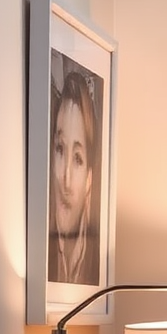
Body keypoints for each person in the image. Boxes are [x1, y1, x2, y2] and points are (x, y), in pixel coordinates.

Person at [47, 66, 100, 286]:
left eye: (77, 159)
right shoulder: (37, 257)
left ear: (89, 178)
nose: (65, 180)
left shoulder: (97, 259)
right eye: (60, 149)